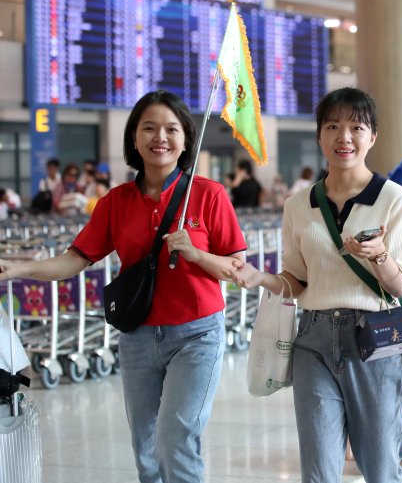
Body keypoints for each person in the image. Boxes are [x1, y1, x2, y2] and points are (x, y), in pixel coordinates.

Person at [0, 90, 247, 482]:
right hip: (137, 337)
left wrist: (197, 255)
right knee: (146, 450)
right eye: (148, 128)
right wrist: (19, 268)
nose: (159, 137)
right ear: (134, 137)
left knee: (175, 438)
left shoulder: (209, 195)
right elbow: (75, 258)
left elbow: (237, 269)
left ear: (186, 138)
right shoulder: (115, 201)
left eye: (170, 129)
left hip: (197, 335)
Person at [229, 87, 402, 483]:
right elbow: (298, 282)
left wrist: (379, 255)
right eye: (332, 126)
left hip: (375, 338)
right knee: (318, 470)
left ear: (372, 136)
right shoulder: (298, 205)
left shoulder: (394, 199)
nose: (343, 137)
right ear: (319, 135)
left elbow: (399, 289)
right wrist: (259, 277)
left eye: (355, 127)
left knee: (381, 466)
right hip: (312, 337)